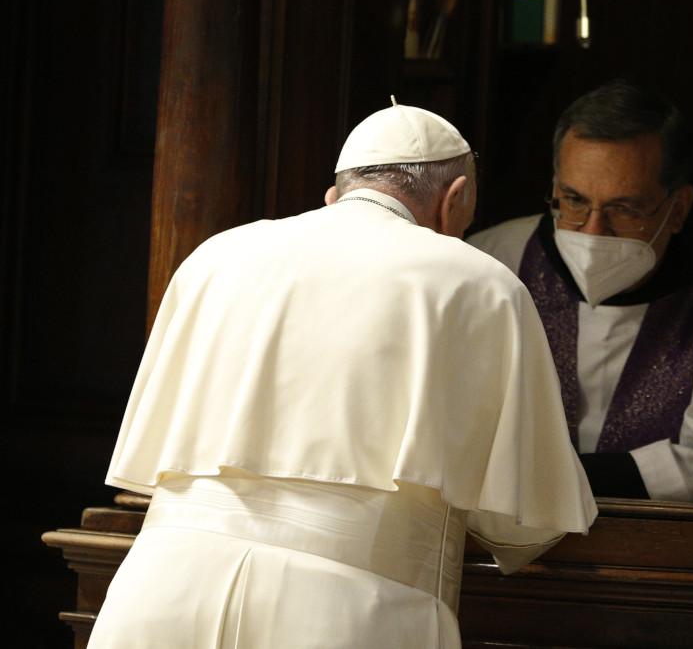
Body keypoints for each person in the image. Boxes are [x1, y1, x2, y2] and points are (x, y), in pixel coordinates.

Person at [88, 98, 597, 648]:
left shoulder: (214, 257)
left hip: (157, 592)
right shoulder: (480, 284)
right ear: (454, 203)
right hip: (347, 614)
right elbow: (525, 522)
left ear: (336, 194)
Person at [468, 79, 693, 504]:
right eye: (574, 201)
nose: (594, 232)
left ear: (678, 208)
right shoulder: (491, 263)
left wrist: (556, 481)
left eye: (625, 208)